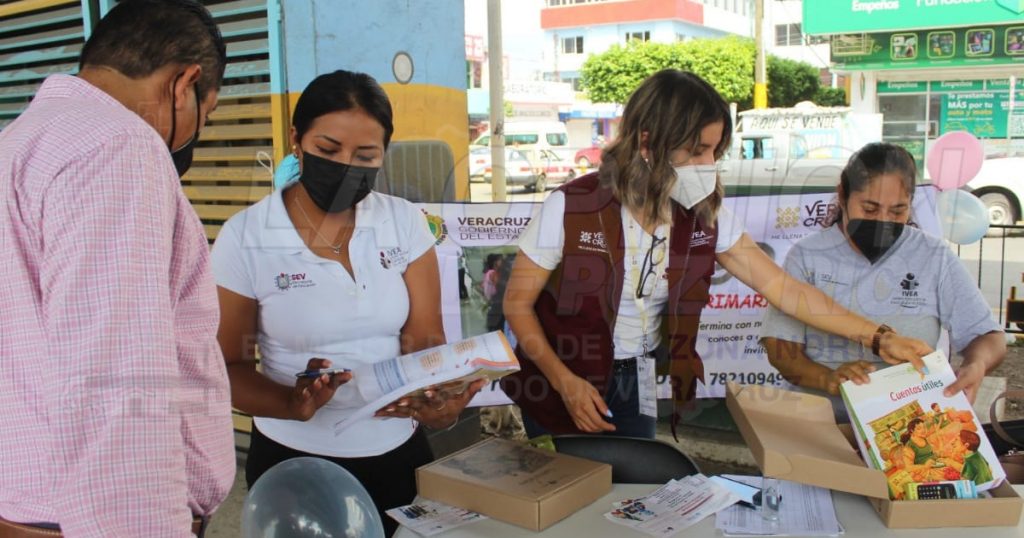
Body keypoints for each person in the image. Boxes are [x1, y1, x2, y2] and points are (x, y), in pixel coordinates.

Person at [500, 69, 931, 439]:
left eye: (714, 150)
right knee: (566, 493)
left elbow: (784, 289)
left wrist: (878, 337)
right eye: (696, 150)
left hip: (638, 374)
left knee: (633, 486)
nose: (708, 165)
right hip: (558, 376)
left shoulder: (706, 214)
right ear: (647, 142)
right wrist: (565, 382)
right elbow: (517, 304)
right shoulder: (572, 207)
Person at [211, 70, 484, 536]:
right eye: (328, 149)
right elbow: (225, 368)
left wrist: (439, 401)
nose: (344, 166)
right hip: (294, 462)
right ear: (296, 140)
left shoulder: (403, 222)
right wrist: (292, 402)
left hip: (400, 455)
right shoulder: (246, 236)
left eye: (365, 155)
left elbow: (424, 340)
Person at [0, 1, 235, 535]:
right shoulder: (118, 145)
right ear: (185, 84)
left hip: (25, 507)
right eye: (207, 113)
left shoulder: (15, 144)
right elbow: (118, 384)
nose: (194, 133)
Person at [761, 143, 1005, 420]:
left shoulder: (933, 256)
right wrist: (829, 379)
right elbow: (780, 349)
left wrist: (977, 363)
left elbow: (988, 336)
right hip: (824, 419)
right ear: (843, 195)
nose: (883, 221)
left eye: (898, 211)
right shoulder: (807, 256)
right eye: (870, 208)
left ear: (911, 205)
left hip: (911, 420)